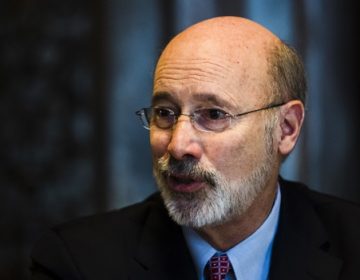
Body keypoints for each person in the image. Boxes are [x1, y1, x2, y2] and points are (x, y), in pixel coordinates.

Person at [30, 16, 360, 280]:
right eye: (164, 113)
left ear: (286, 129)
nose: (177, 146)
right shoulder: (75, 263)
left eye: (214, 115)